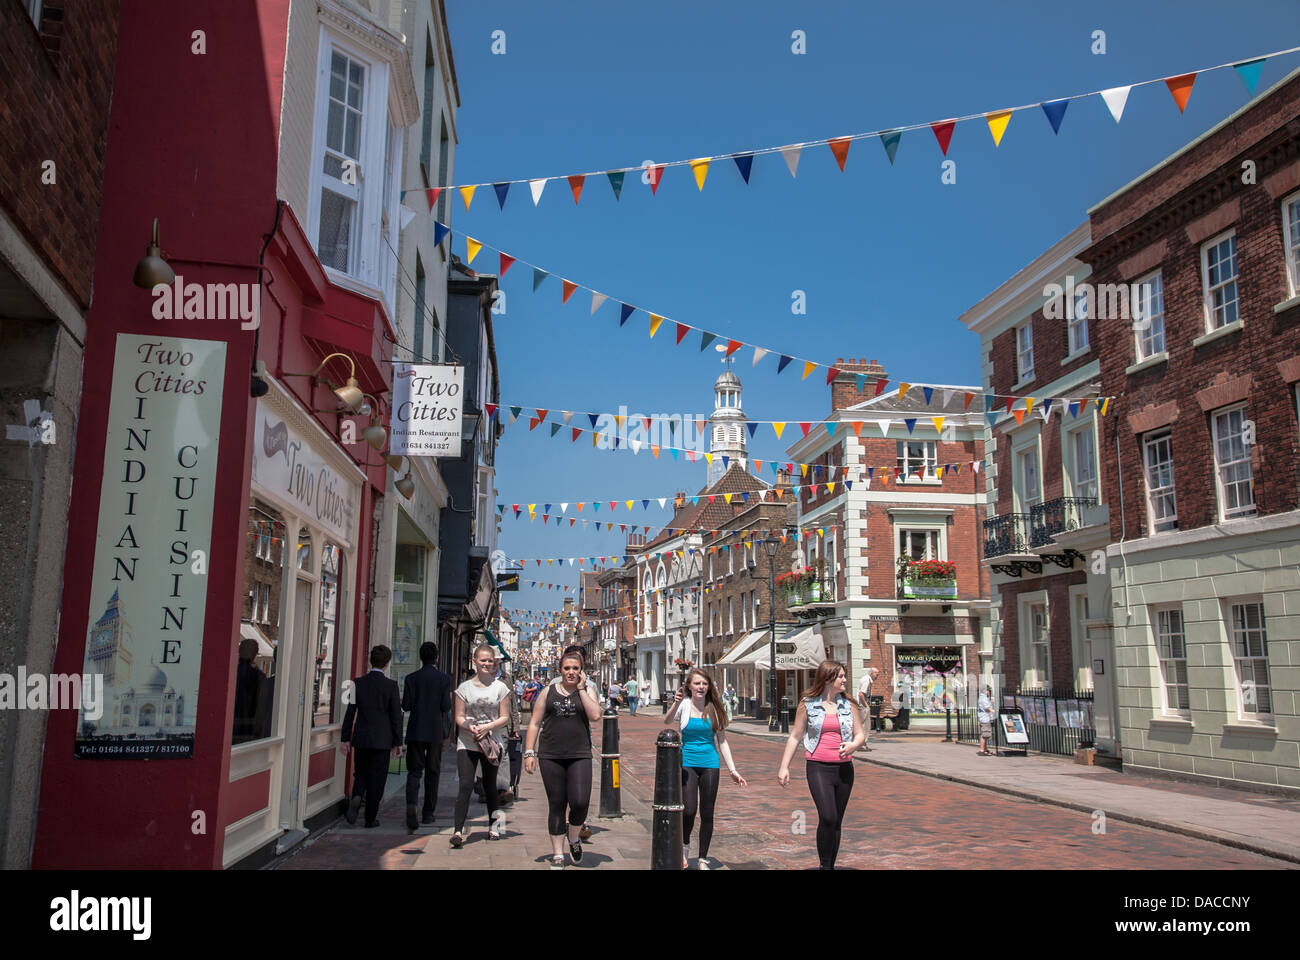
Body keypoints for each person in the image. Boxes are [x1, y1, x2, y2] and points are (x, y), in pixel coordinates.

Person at [777, 660, 866, 870]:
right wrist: (784, 766)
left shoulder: (849, 704)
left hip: (844, 768)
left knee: (836, 821)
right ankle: (824, 865)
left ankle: (830, 866)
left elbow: (860, 734)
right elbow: (795, 737)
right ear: (828, 678)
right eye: (841, 676)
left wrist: (853, 745)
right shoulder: (808, 704)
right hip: (818, 766)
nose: (845, 680)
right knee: (828, 815)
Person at [525, 651, 603, 868]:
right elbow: (534, 722)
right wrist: (529, 752)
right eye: (567, 668)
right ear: (560, 670)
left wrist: (581, 689)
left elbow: (596, 715)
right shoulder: (547, 692)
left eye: (575, 669)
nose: (571, 672)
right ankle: (558, 853)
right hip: (551, 755)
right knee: (557, 803)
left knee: (580, 802)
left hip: (579, 754)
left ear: (581, 671)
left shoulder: (586, 691)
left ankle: (574, 837)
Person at [663, 669, 747, 869]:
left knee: (707, 813)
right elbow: (667, 721)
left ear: (709, 687)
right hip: (687, 763)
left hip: (710, 763)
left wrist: (733, 770)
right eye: (697, 683)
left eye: (705, 684)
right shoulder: (683, 705)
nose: (701, 687)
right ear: (689, 686)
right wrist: (675, 703)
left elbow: (723, 742)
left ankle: (702, 858)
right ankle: (684, 848)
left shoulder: (715, 709)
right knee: (689, 809)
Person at [450, 644, 511, 847]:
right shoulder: (464, 688)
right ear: (474, 661)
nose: (486, 663)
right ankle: (458, 831)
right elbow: (458, 716)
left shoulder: (501, 688)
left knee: (490, 787)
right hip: (467, 742)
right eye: (482, 660)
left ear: (495, 663)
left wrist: (488, 727)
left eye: (490, 660)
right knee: (465, 785)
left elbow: (504, 717)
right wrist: (468, 725)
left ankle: (495, 827)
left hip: (491, 743)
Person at [340, 645, 404, 828]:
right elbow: (395, 716)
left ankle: (357, 794)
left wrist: (345, 738)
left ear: (371, 661)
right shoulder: (391, 686)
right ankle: (370, 818)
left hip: (361, 737)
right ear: (387, 663)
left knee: (360, 772)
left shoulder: (356, 683)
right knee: (377, 779)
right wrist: (398, 741)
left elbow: (349, 712)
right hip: (382, 740)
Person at [401, 641, 453, 831]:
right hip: (434, 731)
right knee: (433, 772)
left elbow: (405, 705)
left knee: (414, 772)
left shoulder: (411, 678)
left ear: (420, 657)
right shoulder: (444, 679)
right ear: (437, 657)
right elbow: (446, 706)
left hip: (415, 730)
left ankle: (411, 804)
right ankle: (428, 813)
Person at [856, 667, 879, 750]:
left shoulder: (866, 679)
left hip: (861, 705)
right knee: (865, 725)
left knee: (863, 725)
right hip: (863, 705)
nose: (877, 676)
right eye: (876, 673)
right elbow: (861, 694)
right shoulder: (867, 680)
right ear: (871, 673)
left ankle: (861, 744)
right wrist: (866, 705)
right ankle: (862, 744)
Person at [977, 685, 996, 756]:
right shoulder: (983, 698)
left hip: (985, 718)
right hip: (985, 718)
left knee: (986, 734)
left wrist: (991, 702)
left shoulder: (984, 698)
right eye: (988, 690)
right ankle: (982, 750)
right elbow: (987, 708)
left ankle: (985, 749)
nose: (989, 692)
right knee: (985, 734)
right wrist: (994, 711)